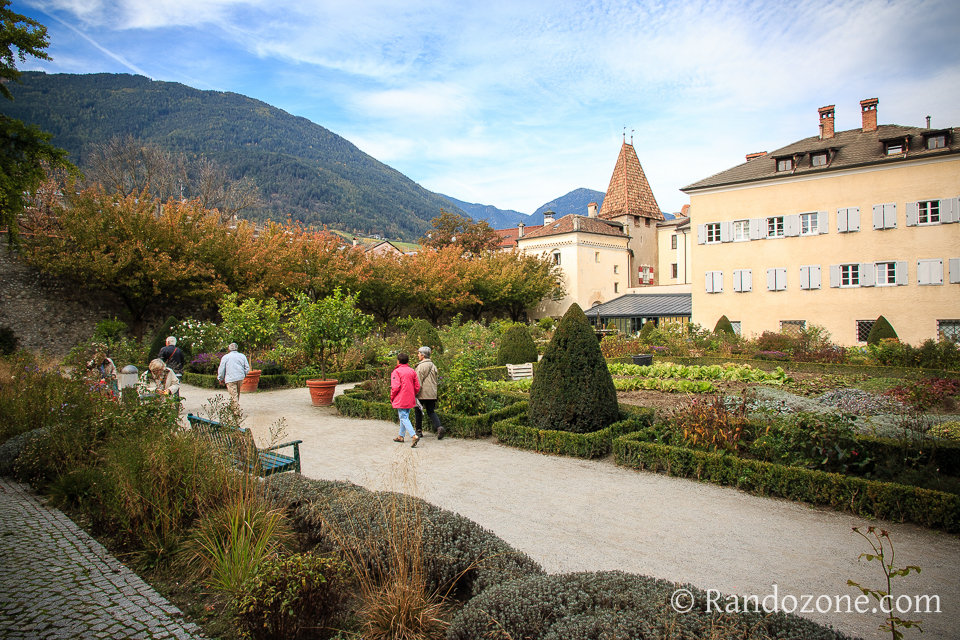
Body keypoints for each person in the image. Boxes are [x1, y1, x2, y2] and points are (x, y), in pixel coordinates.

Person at [390, 352, 421, 447]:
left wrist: (392, 396)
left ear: (398, 361)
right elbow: (417, 386)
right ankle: (401, 436)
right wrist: (413, 393)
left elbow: (395, 387)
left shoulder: (396, 372)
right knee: (405, 416)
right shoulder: (412, 371)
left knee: (403, 417)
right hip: (410, 396)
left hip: (401, 396)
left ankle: (413, 435)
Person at [414, 346, 445, 440]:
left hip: (422, 393)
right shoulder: (433, 365)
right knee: (431, 411)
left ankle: (419, 431)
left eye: (419, 353)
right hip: (432, 392)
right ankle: (439, 427)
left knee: (418, 411)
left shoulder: (421, 366)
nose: (418, 355)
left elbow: (418, 381)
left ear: (423, 355)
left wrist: (415, 392)